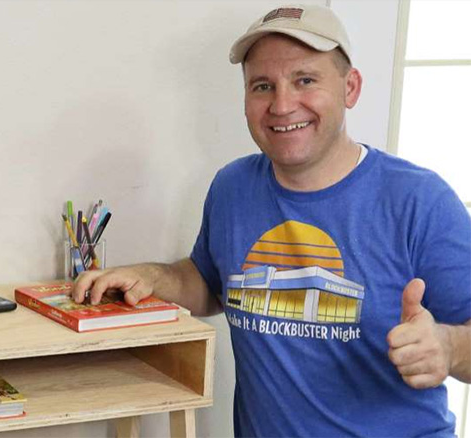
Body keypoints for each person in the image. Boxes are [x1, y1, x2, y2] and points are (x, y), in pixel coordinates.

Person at [72, 4, 471, 437]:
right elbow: (212, 286)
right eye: (263, 86)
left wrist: (447, 348)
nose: (282, 105)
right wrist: (149, 277)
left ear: (350, 87)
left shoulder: (418, 200)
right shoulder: (233, 186)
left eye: (305, 80)